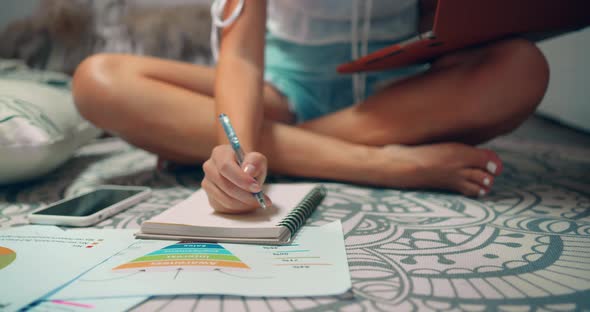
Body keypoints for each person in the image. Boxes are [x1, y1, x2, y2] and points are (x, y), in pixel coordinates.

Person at [71, 0, 549, 214]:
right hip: (282, 90)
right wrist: (228, 148)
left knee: (524, 68)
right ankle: (382, 163)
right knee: (98, 81)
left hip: (399, 94)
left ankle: (196, 135)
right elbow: (239, 56)